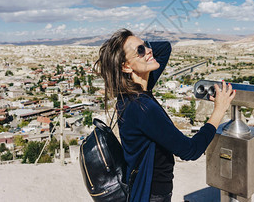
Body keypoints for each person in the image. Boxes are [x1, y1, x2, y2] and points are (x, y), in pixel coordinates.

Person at [95, 29, 235, 202]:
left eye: (146, 45)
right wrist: (219, 110)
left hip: (144, 189)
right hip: (151, 195)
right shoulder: (143, 108)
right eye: (140, 50)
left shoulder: (131, 94)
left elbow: (165, 48)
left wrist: (142, 47)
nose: (148, 50)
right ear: (126, 66)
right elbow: (191, 150)